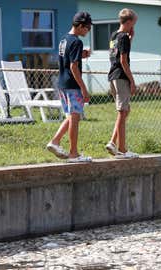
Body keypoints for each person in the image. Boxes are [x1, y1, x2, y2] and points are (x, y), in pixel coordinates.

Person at [47, 11, 93, 163]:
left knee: (72, 116)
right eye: (87, 28)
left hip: (62, 83)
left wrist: (81, 55)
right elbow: (73, 67)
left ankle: (55, 141)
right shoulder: (77, 42)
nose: (88, 30)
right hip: (73, 85)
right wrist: (84, 88)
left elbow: (68, 59)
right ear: (80, 26)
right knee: (75, 118)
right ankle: (73, 153)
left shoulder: (64, 40)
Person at [105, 8, 139, 159]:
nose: (134, 26)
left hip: (112, 76)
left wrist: (131, 38)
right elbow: (123, 60)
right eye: (134, 23)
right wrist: (132, 81)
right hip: (121, 76)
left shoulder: (114, 36)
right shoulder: (124, 37)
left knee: (125, 111)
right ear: (129, 21)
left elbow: (118, 52)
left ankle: (114, 142)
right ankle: (122, 149)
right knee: (122, 111)